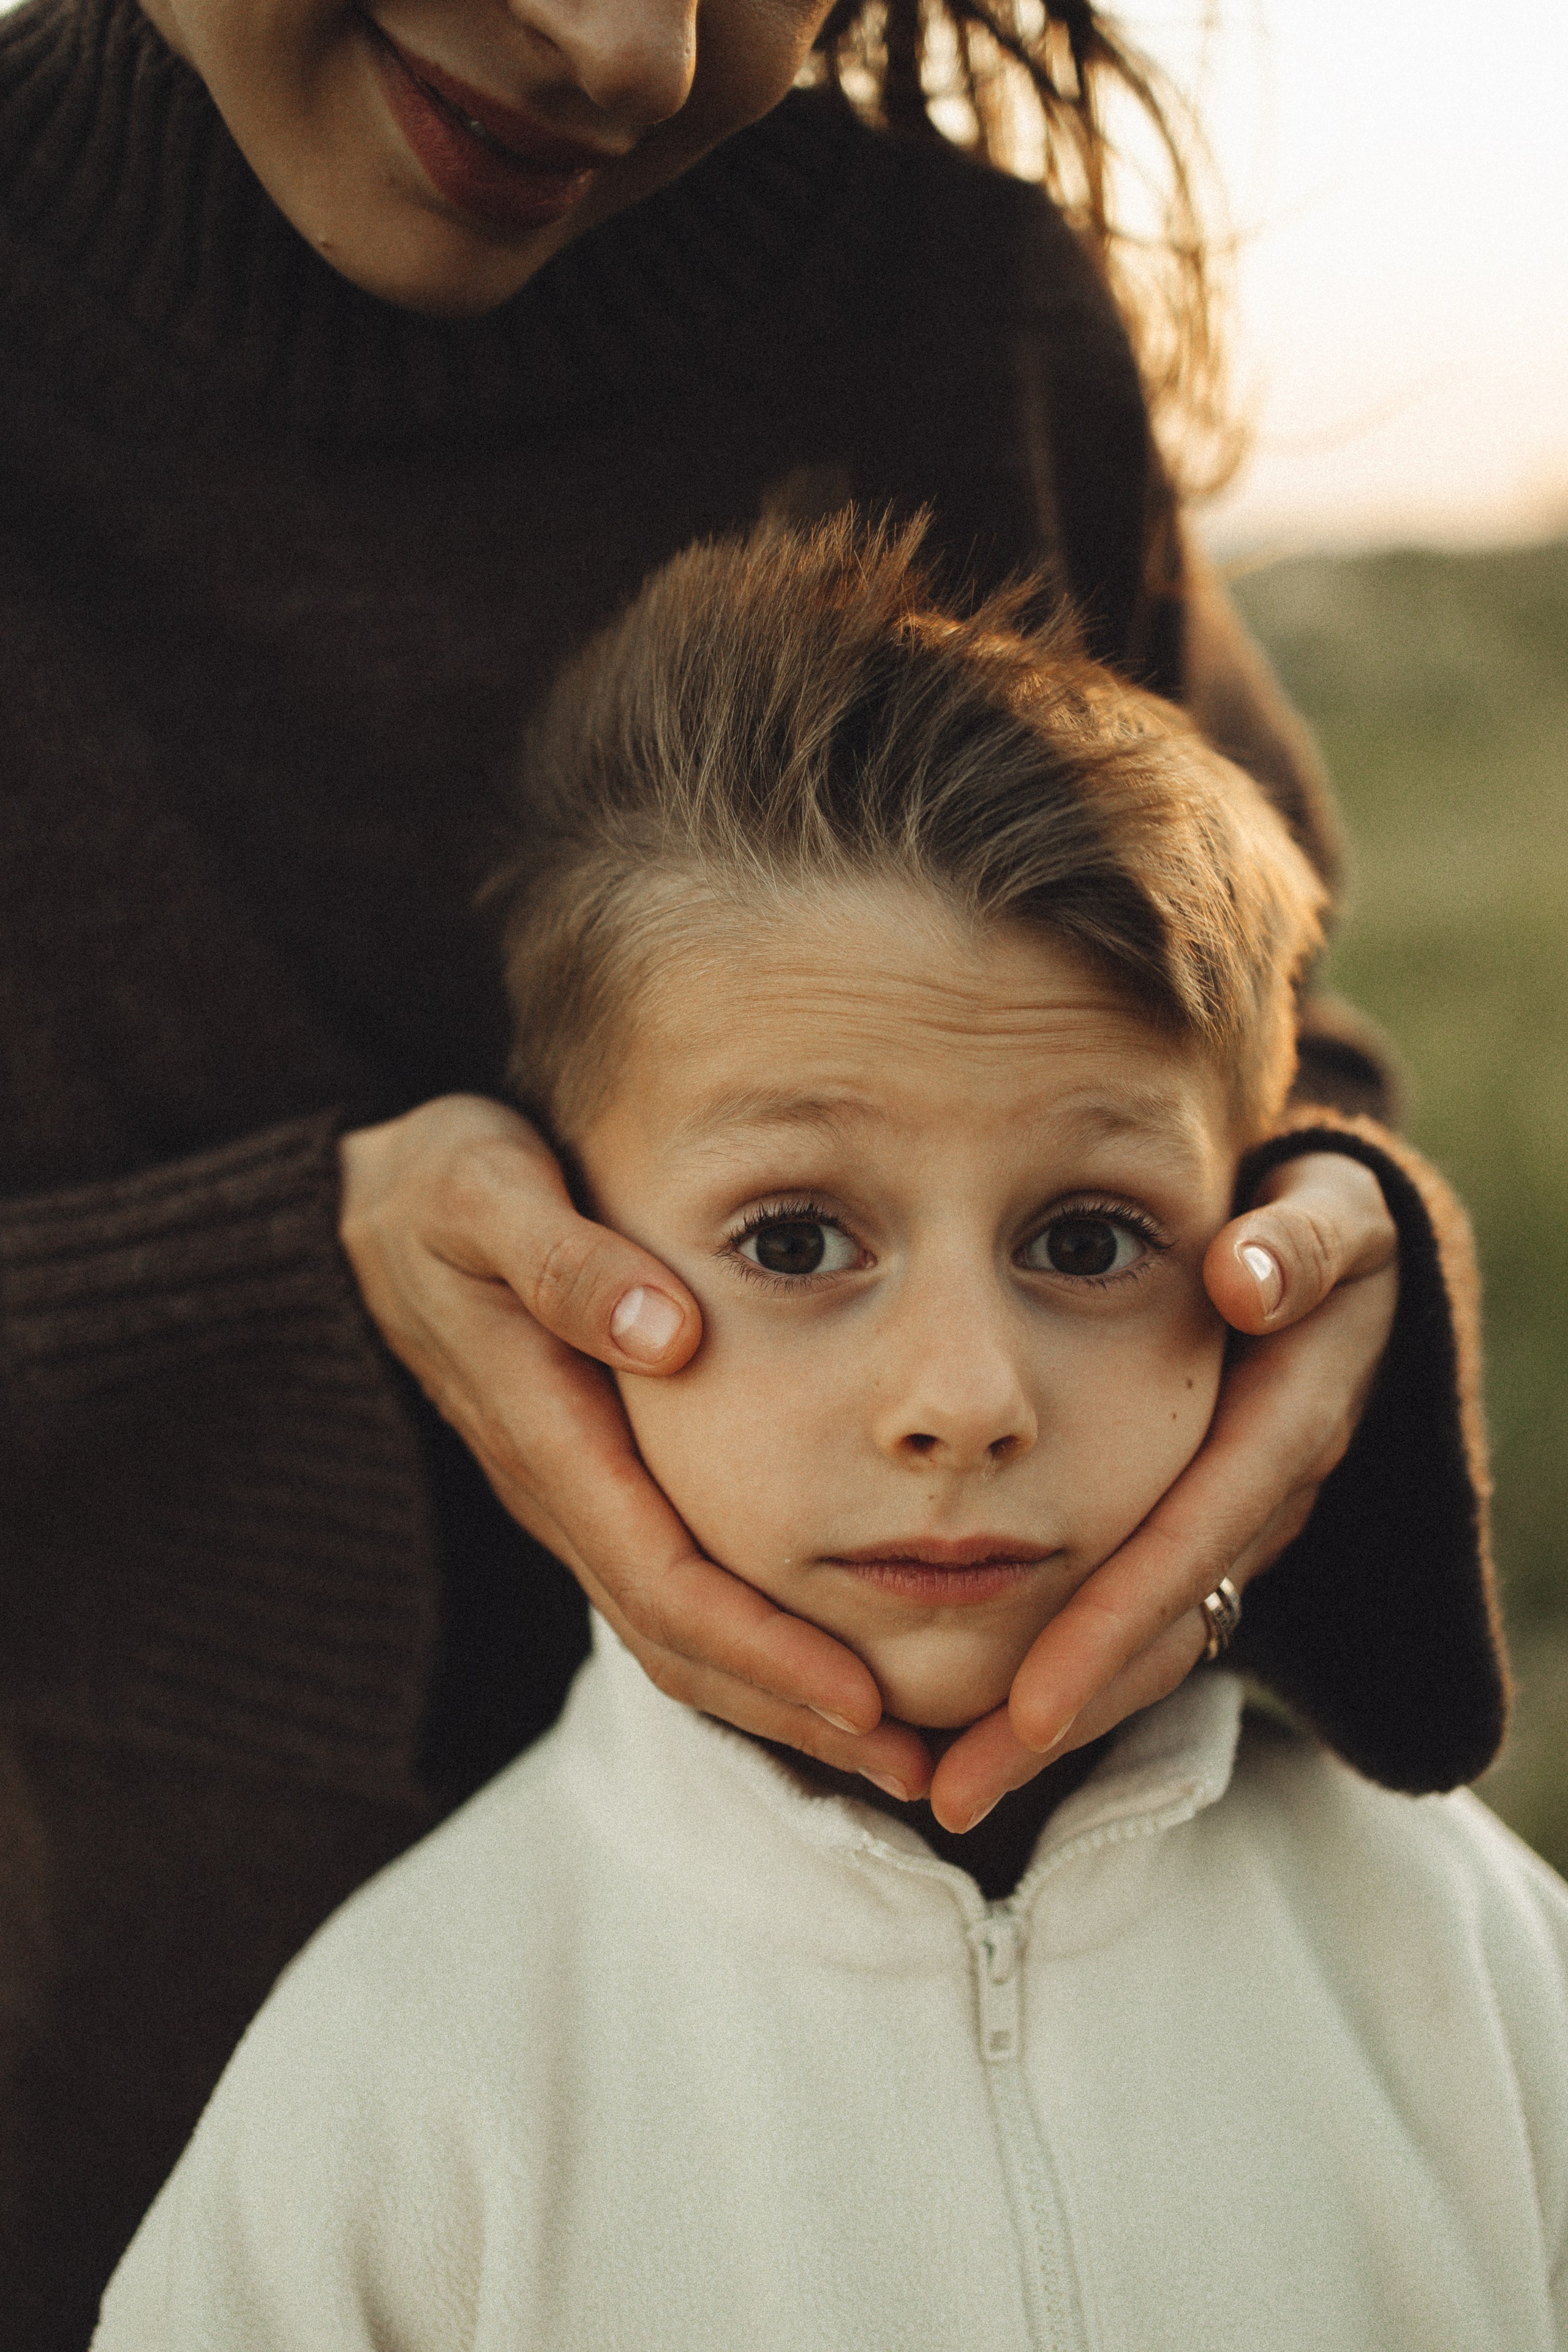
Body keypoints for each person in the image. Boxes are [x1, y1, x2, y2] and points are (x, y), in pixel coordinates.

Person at [0, 0, 1502, 2333]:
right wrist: (268, 1307)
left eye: (1077, 1253)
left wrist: (1329, 1265)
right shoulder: (384, 2109)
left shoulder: (976, 317)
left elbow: (1262, 1044)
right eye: (798, 1239)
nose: (614, 45)